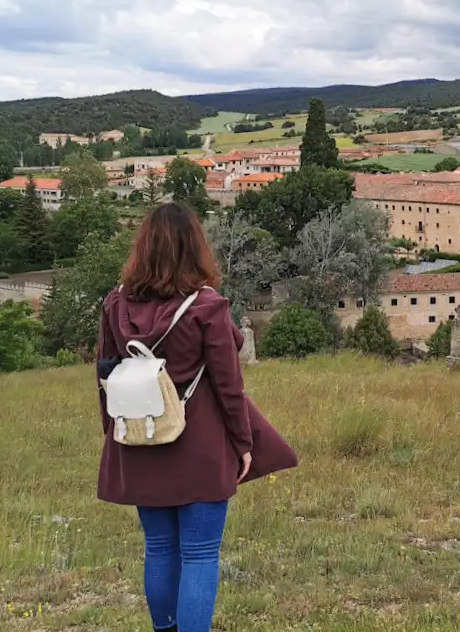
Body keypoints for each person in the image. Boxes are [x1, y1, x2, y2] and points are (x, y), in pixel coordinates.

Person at [95, 203, 297, 632]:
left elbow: (105, 375)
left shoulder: (115, 303)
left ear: (142, 247)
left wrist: (113, 435)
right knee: (200, 554)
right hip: (200, 444)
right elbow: (229, 386)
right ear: (195, 247)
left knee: (159, 547)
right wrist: (243, 443)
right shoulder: (206, 306)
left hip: (138, 439)